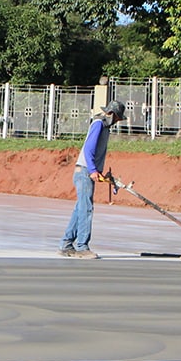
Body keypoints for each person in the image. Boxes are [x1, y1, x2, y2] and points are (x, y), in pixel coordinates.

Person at [59, 99, 125, 259]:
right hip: (84, 171)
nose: (116, 122)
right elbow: (89, 148)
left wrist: (100, 172)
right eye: (117, 118)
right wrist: (93, 170)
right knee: (86, 208)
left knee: (80, 208)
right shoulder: (99, 123)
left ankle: (66, 244)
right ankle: (82, 246)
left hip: (86, 170)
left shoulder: (105, 127)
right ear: (112, 114)